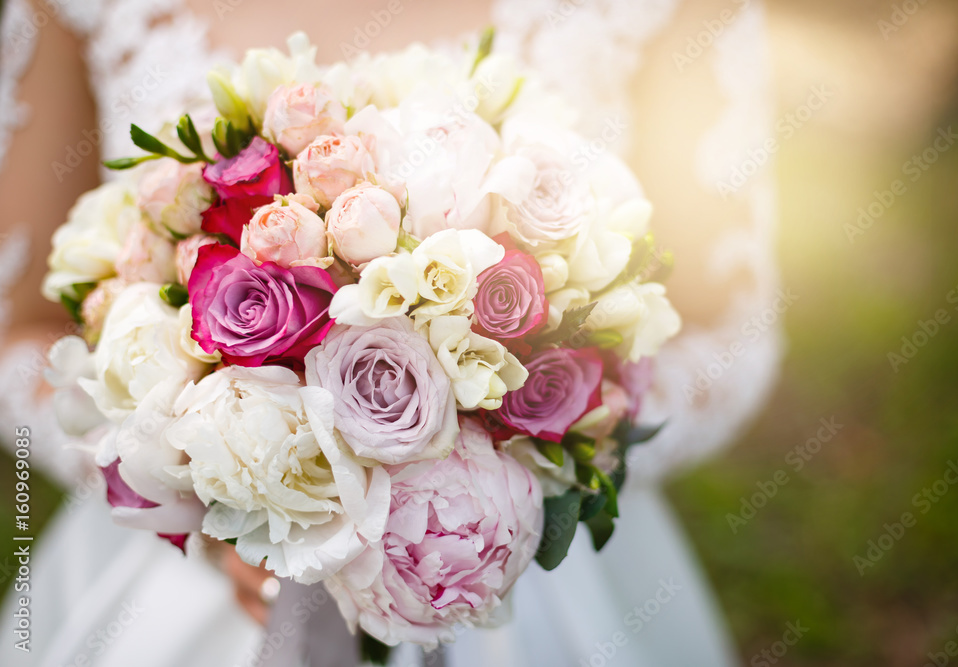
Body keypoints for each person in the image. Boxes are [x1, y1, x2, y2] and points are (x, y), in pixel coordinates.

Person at [0, 0, 782, 664]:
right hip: (190, 584)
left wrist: (515, 482)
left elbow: (729, 328)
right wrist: (200, 485)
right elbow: (22, 333)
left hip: (540, 588)